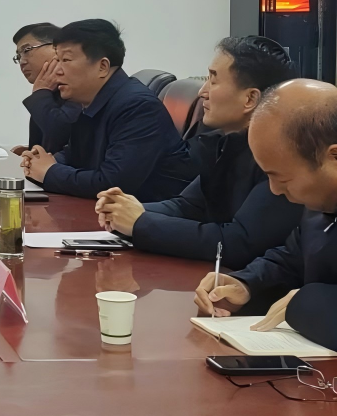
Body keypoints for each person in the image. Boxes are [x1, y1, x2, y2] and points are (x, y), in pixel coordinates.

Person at [95, 36, 302, 269]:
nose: (203, 92)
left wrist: (141, 223)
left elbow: (239, 243)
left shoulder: (283, 156)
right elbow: (189, 206)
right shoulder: (225, 141)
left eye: (213, 80)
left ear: (250, 98)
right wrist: (125, 209)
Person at [194, 79, 337, 350]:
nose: (274, 190)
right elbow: (294, 257)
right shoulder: (321, 202)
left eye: (281, 178)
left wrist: (307, 303)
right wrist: (246, 283)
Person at [21, 19, 194, 201]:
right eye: (57, 60)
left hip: (150, 213)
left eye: (66, 60)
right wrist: (46, 161)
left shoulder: (138, 107)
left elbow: (113, 184)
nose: (57, 71)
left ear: (102, 67)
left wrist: (50, 172)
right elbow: (76, 155)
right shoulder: (89, 100)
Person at [11, 22, 80, 156]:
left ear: (57, 48)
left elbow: (64, 135)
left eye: (27, 51)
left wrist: (40, 94)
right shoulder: (48, 90)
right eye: (18, 57)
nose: (22, 62)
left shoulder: (80, 86)